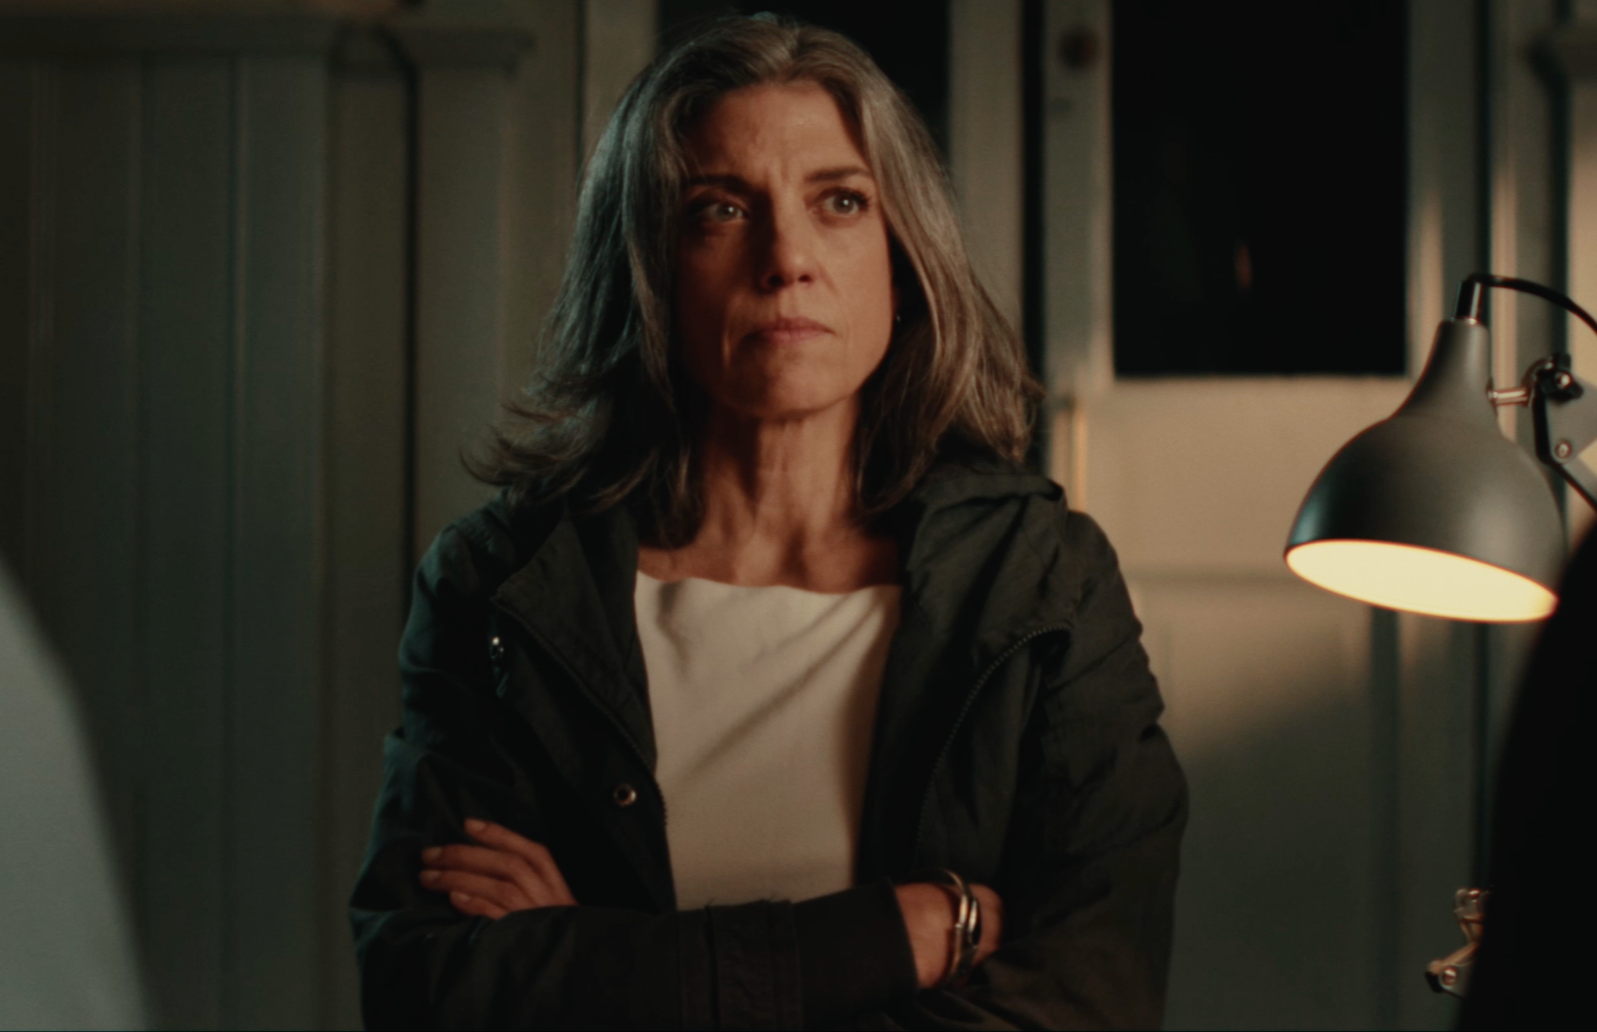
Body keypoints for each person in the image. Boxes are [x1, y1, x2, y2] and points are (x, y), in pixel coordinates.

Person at [350, 15, 1187, 1029]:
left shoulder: (1040, 581)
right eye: (718, 209)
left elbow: (1089, 1001)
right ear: (648, 266)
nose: (786, 257)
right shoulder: (504, 584)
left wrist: (601, 966)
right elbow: (431, 989)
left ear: (900, 253)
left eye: (839, 201)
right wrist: (890, 938)